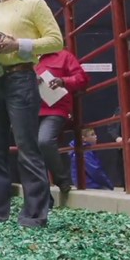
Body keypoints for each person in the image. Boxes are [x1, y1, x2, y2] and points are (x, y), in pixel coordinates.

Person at [0, 0, 63, 227]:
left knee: (27, 146)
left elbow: (55, 41)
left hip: (21, 77)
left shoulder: (34, 4)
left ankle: (35, 213)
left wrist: (18, 46)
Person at [35, 48, 89, 208]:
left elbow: (82, 79)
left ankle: (61, 180)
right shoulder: (24, 56)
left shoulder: (64, 56)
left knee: (44, 141)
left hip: (56, 108)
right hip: (29, 110)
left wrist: (63, 80)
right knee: (32, 151)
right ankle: (44, 199)